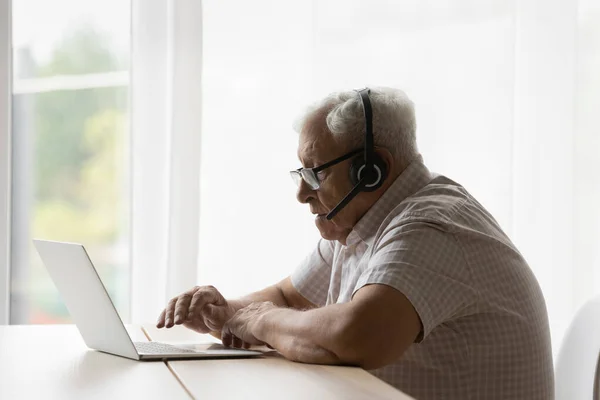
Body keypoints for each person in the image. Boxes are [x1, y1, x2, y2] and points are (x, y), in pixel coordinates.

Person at [156, 87, 554, 399]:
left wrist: (259, 320)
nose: (301, 194)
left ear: (372, 169)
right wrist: (224, 312)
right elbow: (289, 298)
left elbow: (355, 337)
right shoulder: (360, 225)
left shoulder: (430, 226)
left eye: (315, 175)